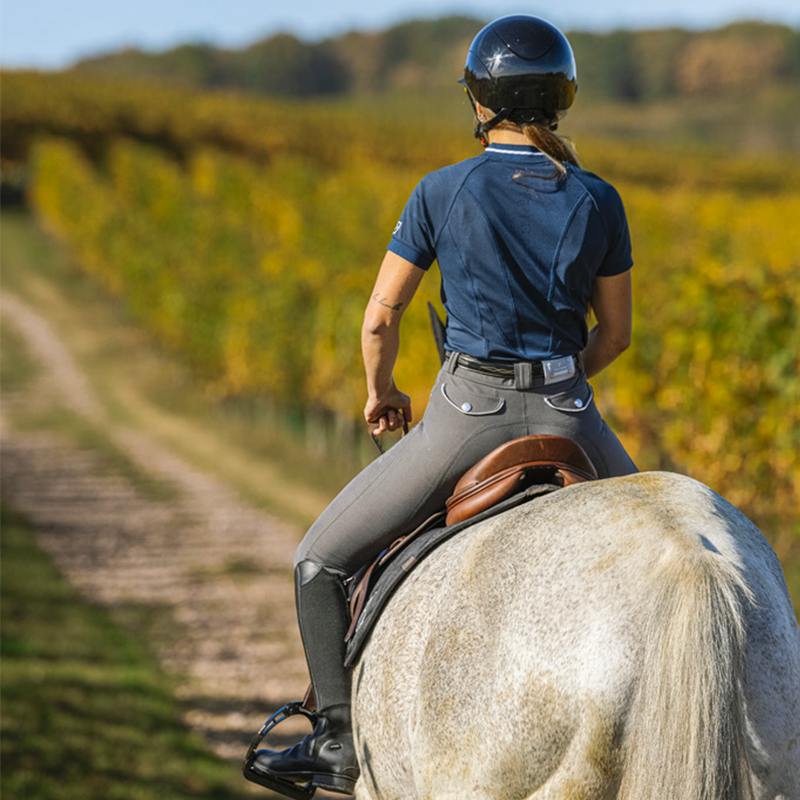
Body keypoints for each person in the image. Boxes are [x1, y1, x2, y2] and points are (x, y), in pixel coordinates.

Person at [249, 14, 638, 796]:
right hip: (572, 417)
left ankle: (334, 740)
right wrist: (561, 376)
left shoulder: (441, 190)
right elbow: (617, 335)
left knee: (319, 561)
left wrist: (381, 391)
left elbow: (381, 316)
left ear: (481, 101)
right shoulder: (599, 199)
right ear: (560, 98)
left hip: (468, 419)